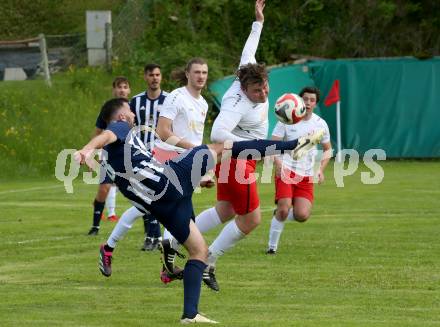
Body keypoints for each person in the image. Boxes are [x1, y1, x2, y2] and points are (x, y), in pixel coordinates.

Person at [74, 98, 323, 324]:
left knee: (199, 251)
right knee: (222, 148)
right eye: (129, 112)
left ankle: (190, 315)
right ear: (122, 118)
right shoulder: (120, 128)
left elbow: (129, 174)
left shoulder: (112, 158)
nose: (132, 115)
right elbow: (106, 134)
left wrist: (195, 178)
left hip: (164, 204)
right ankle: (291, 145)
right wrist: (86, 148)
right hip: (172, 181)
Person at [184, 0, 268, 291]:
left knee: (225, 210)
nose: (263, 93)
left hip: (234, 160)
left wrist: (258, 22)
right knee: (251, 219)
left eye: (265, 87)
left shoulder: (246, 74)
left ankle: (171, 241)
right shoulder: (238, 102)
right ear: (245, 89)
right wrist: (257, 144)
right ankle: (208, 260)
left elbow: (248, 51)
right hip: (237, 162)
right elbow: (219, 132)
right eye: (258, 90)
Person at [266, 87, 332, 254]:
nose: (308, 103)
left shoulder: (320, 124)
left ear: (316, 103)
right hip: (286, 170)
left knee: (302, 215)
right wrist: (278, 163)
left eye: (312, 100)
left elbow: (328, 150)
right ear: (299, 101)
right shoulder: (286, 120)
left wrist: (321, 170)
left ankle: (278, 215)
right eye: (305, 99)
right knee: (284, 207)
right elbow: (272, 145)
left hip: (307, 175)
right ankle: (272, 248)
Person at [87, 76, 130, 236]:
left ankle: (151, 232)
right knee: (104, 189)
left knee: (142, 192)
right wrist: (91, 154)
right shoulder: (108, 110)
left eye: (125, 87)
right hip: (110, 157)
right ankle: (95, 227)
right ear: (114, 90)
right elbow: (98, 133)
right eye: (119, 87)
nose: (122, 90)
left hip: (131, 157)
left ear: (129, 90)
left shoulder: (133, 109)